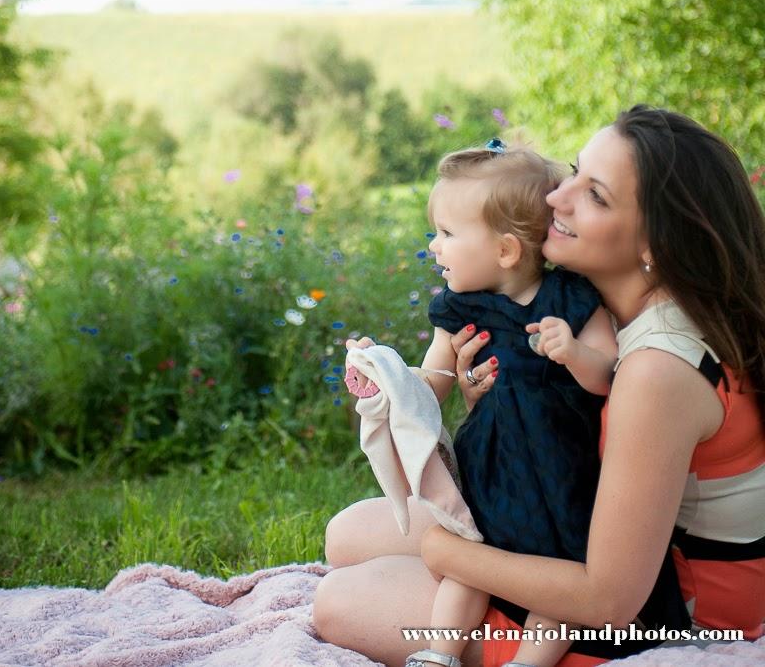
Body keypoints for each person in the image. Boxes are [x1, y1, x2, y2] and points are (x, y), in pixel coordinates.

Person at [314, 106, 765, 667]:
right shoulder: (619, 306)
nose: (557, 197)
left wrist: (445, 552)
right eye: (574, 171)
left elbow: (610, 599)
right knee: (348, 534)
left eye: (594, 195)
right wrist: (486, 398)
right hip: (579, 529)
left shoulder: (659, 369)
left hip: (662, 619)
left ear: (656, 243)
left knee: (341, 600)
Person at [344, 141, 617, 667]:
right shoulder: (460, 312)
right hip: (489, 471)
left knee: (553, 578)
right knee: (469, 562)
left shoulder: (571, 301)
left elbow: (608, 376)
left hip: (562, 478)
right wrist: (385, 376)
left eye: (446, 234)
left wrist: (575, 352)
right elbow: (430, 388)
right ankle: (438, 653)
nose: (433, 247)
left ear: (506, 251)